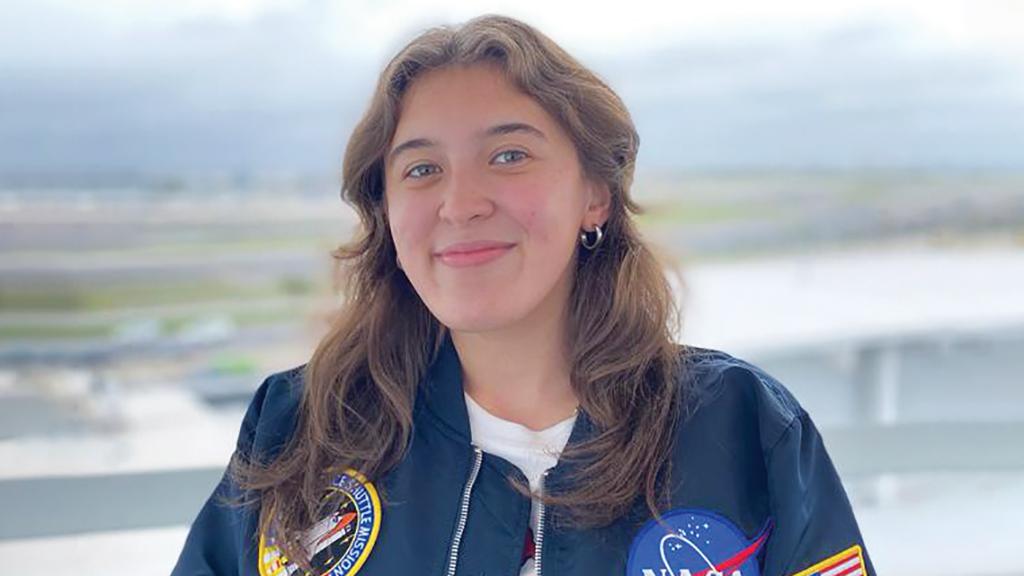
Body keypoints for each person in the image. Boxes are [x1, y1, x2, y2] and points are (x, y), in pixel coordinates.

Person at [172, 14, 874, 576]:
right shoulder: (297, 428)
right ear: (386, 214)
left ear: (595, 194)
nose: (461, 203)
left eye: (509, 155)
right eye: (421, 169)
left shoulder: (742, 429)